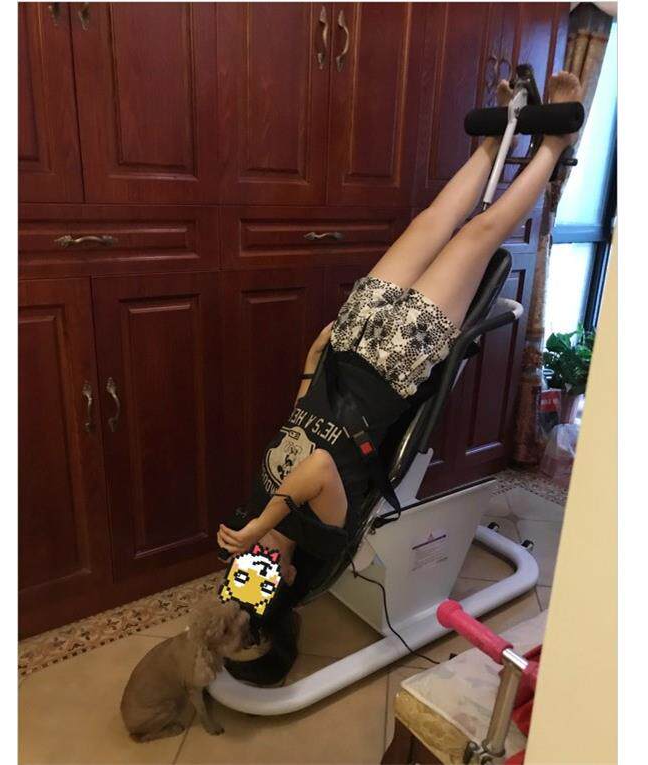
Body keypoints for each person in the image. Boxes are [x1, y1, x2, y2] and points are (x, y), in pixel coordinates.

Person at [217, 72, 584, 585]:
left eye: (246, 563)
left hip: (350, 342)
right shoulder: (325, 535)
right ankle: (556, 144)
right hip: (395, 362)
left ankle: (494, 142)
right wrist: (262, 523)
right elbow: (318, 467)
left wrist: (312, 359)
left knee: (427, 222)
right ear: (291, 574)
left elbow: (298, 425)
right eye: (263, 568)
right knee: (476, 236)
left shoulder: (260, 501)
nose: (255, 554)